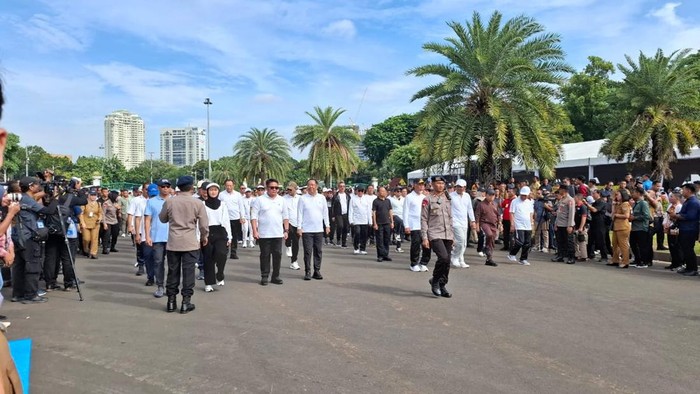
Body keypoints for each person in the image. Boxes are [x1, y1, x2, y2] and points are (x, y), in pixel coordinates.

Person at [159, 176, 209, 314]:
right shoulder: (197, 203)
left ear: (178, 187)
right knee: (189, 273)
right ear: (192, 187)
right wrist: (204, 237)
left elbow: (162, 219)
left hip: (174, 242)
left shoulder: (170, 202)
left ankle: (171, 301)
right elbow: (204, 225)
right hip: (190, 243)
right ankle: (185, 302)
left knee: (172, 272)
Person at [11, 177, 53, 304]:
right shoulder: (28, 199)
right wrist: (55, 199)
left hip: (18, 236)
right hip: (28, 237)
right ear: (31, 186)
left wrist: (48, 192)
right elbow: (48, 211)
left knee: (19, 266)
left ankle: (18, 294)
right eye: (37, 184)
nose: (39, 186)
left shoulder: (20, 198)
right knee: (33, 266)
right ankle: (31, 294)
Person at [421, 176, 454, 298]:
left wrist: (453, 235)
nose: (440, 185)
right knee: (443, 258)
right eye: (438, 183)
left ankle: (442, 284)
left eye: (442, 183)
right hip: (434, 233)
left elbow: (450, 218)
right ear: (432, 184)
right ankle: (435, 280)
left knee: (447, 261)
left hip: (447, 234)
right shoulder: (427, 199)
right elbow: (424, 219)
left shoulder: (448, 198)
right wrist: (424, 237)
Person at [251, 179, 289, 285]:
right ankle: (264, 276)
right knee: (265, 255)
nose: (274, 190)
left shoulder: (282, 200)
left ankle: (275, 276)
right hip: (264, 234)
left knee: (277, 255)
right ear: (267, 188)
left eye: (276, 188)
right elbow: (254, 217)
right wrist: (255, 231)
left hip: (277, 233)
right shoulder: (259, 200)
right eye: (272, 187)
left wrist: (286, 230)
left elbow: (285, 216)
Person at [297, 179, 331, 280]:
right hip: (307, 230)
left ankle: (317, 271)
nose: (311, 187)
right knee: (307, 251)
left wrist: (327, 226)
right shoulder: (302, 198)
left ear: (316, 186)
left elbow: (325, 213)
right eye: (309, 185)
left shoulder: (321, 198)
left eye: (313, 185)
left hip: (319, 229)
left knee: (318, 251)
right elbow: (299, 213)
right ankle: (307, 271)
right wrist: (299, 227)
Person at [201, 183, 232, 292]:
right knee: (208, 258)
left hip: (221, 231)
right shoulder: (202, 204)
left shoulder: (222, 204)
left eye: (215, 190)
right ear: (207, 191)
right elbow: (199, 222)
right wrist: (199, 236)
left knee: (222, 254)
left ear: (218, 191)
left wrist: (229, 237)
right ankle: (208, 283)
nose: (213, 192)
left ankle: (220, 274)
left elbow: (226, 221)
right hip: (207, 232)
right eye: (211, 190)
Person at [144, 179, 171, 298]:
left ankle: (171, 286)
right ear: (159, 188)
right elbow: (147, 220)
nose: (165, 188)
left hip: (173, 237)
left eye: (167, 186)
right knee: (158, 262)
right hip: (157, 237)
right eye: (163, 186)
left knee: (173, 264)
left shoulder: (174, 200)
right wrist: (147, 236)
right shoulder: (151, 202)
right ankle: (160, 286)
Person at [670, 183, 700, 276]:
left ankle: (693, 269)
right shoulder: (688, 201)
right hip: (685, 228)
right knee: (685, 249)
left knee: (688, 249)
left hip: (690, 229)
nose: (682, 192)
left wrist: (677, 216)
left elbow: (690, 216)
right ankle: (688, 267)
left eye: (684, 190)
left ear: (689, 191)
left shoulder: (693, 202)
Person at [403, 179, 430, 272]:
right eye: (419, 184)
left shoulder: (425, 197)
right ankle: (414, 263)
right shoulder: (409, 197)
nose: (421, 186)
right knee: (416, 245)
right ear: (414, 185)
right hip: (414, 224)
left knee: (427, 245)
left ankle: (423, 262)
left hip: (425, 224)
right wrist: (406, 225)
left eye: (423, 185)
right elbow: (405, 212)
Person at [450, 179, 476, 268]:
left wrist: (472, 220)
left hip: (464, 222)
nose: (460, 188)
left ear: (465, 187)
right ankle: (454, 256)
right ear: (455, 187)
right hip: (455, 222)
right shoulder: (451, 196)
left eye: (462, 187)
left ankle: (461, 260)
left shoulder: (467, 196)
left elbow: (469, 209)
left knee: (464, 242)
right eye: (458, 186)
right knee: (460, 241)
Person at [218, 179, 246, 259]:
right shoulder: (221, 195)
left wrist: (242, 217)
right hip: (224, 219)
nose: (229, 187)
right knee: (224, 236)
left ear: (233, 186)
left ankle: (233, 253)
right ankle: (225, 252)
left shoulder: (237, 195)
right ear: (225, 186)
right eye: (227, 185)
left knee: (234, 236)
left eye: (230, 185)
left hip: (235, 218)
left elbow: (241, 207)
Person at [507, 186, 534, 265]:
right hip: (518, 224)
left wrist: (531, 223)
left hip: (528, 225)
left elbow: (531, 213)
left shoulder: (529, 202)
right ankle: (512, 254)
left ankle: (523, 259)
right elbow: (511, 213)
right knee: (520, 242)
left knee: (527, 243)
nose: (524, 197)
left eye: (525, 195)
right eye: (522, 195)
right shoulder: (515, 201)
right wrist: (512, 224)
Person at [552, 183, 576, 264]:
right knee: (560, 241)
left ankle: (571, 257)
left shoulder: (570, 200)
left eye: (560, 190)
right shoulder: (561, 199)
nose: (559, 191)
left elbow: (571, 214)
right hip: (559, 224)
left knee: (569, 242)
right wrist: (556, 223)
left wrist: (570, 225)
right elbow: (559, 213)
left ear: (564, 190)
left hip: (566, 224)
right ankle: (560, 256)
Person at [475, 189, 499, 267]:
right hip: (484, 223)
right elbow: (477, 216)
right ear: (486, 195)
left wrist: (500, 224)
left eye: (493, 195)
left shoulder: (495, 204)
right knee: (489, 235)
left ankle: (489, 259)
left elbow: (498, 215)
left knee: (492, 241)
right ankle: (485, 247)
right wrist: (477, 226)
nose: (491, 197)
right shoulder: (481, 204)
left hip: (493, 224)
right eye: (490, 195)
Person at [629, 187, 652, 268]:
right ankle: (637, 260)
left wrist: (635, 218)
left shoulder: (643, 203)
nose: (632, 194)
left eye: (634, 192)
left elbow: (646, 216)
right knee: (633, 244)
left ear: (638, 193)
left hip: (642, 228)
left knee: (642, 245)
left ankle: (644, 261)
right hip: (635, 228)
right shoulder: (636, 203)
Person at [585, 189, 609, 263]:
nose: (593, 195)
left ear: (598, 194)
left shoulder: (601, 202)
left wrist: (587, 204)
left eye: (594, 193)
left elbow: (595, 210)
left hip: (600, 223)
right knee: (591, 240)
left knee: (601, 240)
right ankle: (590, 254)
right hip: (593, 222)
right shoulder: (595, 202)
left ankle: (604, 256)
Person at [610, 190, 632, 268]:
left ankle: (625, 261)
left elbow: (626, 215)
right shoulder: (619, 204)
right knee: (614, 244)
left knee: (623, 245)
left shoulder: (625, 204)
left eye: (618, 195)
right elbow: (612, 214)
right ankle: (615, 260)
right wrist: (613, 205)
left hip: (623, 227)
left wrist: (617, 215)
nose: (617, 197)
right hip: (616, 227)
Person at [79, 190, 103, 259]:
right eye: (92, 195)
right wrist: (82, 223)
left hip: (95, 224)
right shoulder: (84, 203)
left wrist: (99, 218)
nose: (93, 197)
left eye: (95, 195)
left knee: (94, 239)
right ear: (88, 195)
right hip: (86, 224)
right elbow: (81, 214)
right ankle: (86, 249)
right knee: (86, 239)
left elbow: (100, 213)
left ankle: (93, 253)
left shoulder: (98, 204)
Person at [372, 186, 394, 262]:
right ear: (378, 192)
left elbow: (390, 211)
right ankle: (380, 255)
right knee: (379, 240)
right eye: (381, 191)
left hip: (387, 223)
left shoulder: (388, 201)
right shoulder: (375, 201)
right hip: (379, 223)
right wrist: (375, 223)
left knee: (387, 239)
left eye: (384, 191)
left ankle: (386, 254)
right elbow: (374, 213)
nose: (383, 192)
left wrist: (392, 222)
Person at [663, 192, 683, 270]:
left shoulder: (679, 207)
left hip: (675, 228)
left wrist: (671, 225)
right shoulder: (670, 206)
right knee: (671, 246)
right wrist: (664, 224)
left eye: (672, 196)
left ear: (677, 198)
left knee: (676, 246)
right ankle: (673, 262)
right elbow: (666, 216)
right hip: (669, 228)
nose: (670, 198)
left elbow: (677, 219)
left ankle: (679, 263)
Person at [349, 186, 372, 255]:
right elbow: (351, 210)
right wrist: (351, 220)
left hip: (364, 220)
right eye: (359, 191)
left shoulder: (366, 199)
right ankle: (356, 248)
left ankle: (363, 248)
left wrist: (370, 221)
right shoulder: (353, 199)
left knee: (364, 235)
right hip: (356, 220)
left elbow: (368, 211)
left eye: (362, 191)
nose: (360, 192)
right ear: (356, 191)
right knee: (357, 233)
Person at [283, 182, 301, 269]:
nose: (289, 191)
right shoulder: (284, 199)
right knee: (289, 235)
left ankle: (294, 261)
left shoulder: (300, 199)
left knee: (296, 242)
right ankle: (288, 245)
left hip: (297, 223)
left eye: (291, 189)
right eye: (288, 189)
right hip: (287, 222)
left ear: (295, 189)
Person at [331, 181, 351, 248]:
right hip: (338, 213)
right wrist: (333, 215)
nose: (342, 188)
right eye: (341, 186)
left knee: (345, 228)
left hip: (346, 214)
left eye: (343, 186)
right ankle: (338, 238)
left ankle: (344, 242)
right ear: (338, 187)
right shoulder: (336, 196)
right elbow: (332, 206)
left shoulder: (348, 195)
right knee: (340, 226)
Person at [101, 190, 121, 255]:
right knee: (107, 235)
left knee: (115, 234)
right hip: (107, 221)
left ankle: (113, 247)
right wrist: (104, 223)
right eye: (116, 196)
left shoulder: (116, 203)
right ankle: (105, 248)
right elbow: (103, 214)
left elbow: (118, 214)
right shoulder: (106, 203)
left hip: (115, 221)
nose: (117, 197)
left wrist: (119, 209)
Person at [573, 194, 589, 262]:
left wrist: (581, 227)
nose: (574, 199)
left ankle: (584, 256)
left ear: (578, 198)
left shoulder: (583, 207)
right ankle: (577, 255)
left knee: (582, 241)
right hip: (575, 226)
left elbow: (584, 218)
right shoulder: (576, 207)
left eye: (575, 198)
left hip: (581, 227)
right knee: (575, 241)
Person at [389, 188, 405, 253]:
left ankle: (398, 246)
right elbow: (389, 209)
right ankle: (397, 245)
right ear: (394, 192)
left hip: (402, 216)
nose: (399, 193)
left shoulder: (404, 199)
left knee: (399, 232)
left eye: (400, 191)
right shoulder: (391, 199)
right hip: (394, 216)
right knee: (397, 230)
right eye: (397, 191)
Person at [500, 185, 515, 250]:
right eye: (508, 192)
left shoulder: (515, 200)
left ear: (513, 192)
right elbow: (501, 206)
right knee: (505, 233)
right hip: (505, 219)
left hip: (511, 220)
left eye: (510, 192)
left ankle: (512, 247)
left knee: (511, 234)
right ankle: (506, 246)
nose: (508, 193)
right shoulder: (506, 200)